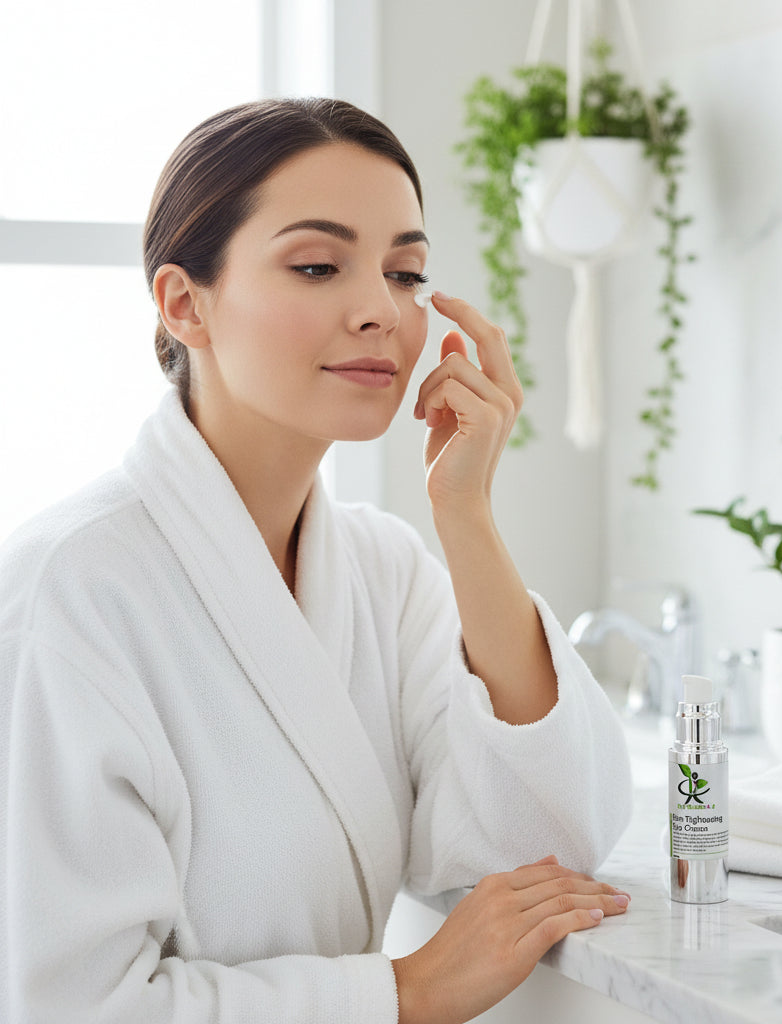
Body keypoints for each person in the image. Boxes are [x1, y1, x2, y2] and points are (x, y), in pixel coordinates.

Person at [0, 98, 633, 1023]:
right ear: (185, 304)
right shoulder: (70, 590)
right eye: (316, 266)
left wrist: (466, 517)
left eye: (406, 274)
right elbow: (69, 1005)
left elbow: (545, 846)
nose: (381, 311)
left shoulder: (383, 569)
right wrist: (406, 992)